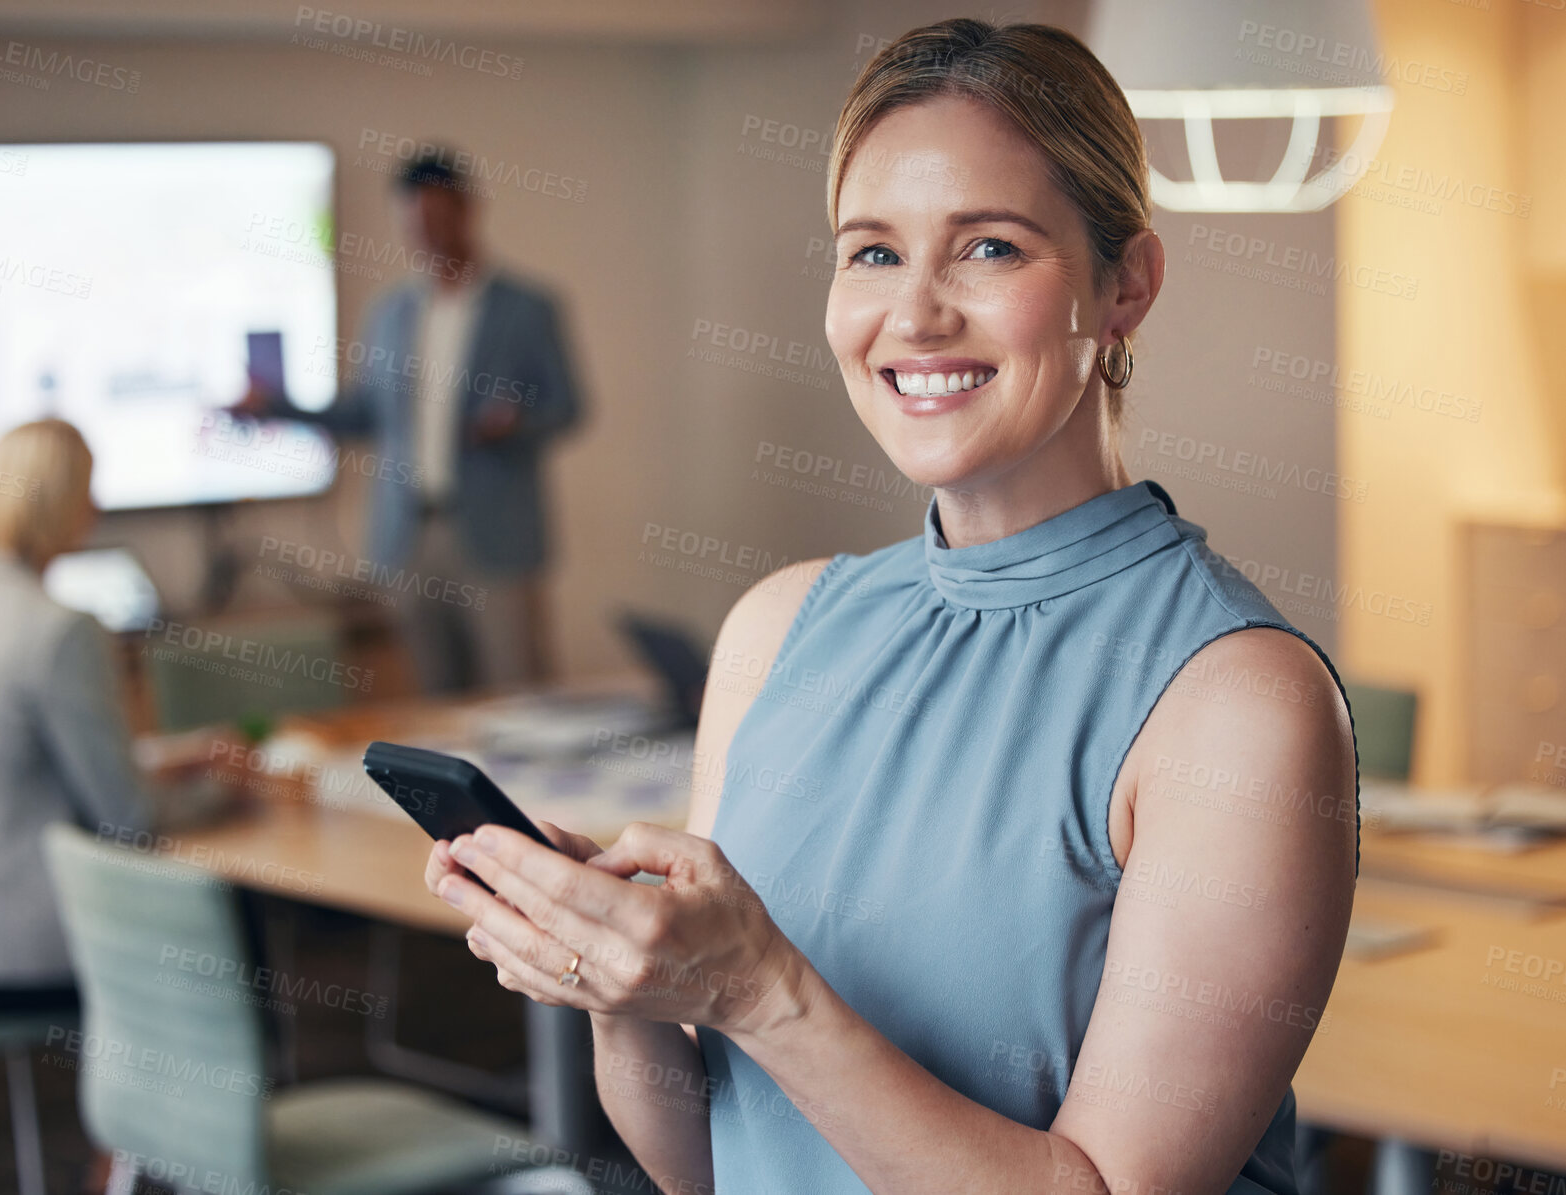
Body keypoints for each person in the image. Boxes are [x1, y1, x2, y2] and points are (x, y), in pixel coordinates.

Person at [423, 18, 1359, 1195]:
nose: (912, 316)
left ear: (1125, 286)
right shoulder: (776, 629)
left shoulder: (1237, 701)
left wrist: (758, 989)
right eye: (870, 253)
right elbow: (703, 1166)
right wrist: (621, 984)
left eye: (988, 249)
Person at [0, 419, 232, 1016]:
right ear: (63, 503)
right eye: (87, 490)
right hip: (26, 961)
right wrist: (226, 790)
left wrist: (163, 766)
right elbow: (129, 820)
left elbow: (10, 771)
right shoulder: (61, 630)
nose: (96, 507)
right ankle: (253, 1099)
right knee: (226, 929)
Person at [237, 149, 584, 694]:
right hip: (406, 535)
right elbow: (366, 413)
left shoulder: (527, 309)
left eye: (436, 219)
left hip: (493, 537)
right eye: (414, 223)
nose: (426, 235)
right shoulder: (391, 312)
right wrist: (276, 407)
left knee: (518, 691)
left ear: (467, 210)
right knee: (433, 698)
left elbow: (568, 408)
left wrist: (515, 424)